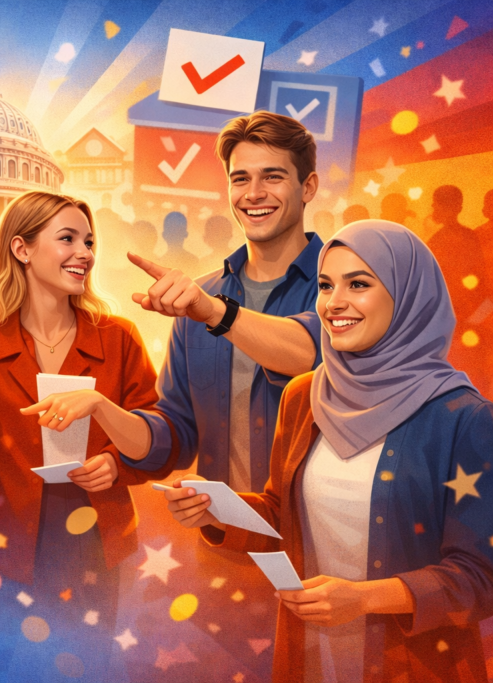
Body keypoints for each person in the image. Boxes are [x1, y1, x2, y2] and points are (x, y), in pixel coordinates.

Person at [160, 220, 493, 682]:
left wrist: (365, 598)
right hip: (311, 657)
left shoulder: (464, 419)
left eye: (358, 284)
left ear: (409, 296)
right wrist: (218, 507)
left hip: (413, 665)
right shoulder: (305, 397)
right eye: (324, 285)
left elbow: (481, 577)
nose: (334, 303)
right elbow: (282, 516)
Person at [0, 191, 171, 681]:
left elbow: (158, 446)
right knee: (20, 669)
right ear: (22, 249)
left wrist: (116, 460)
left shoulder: (118, 337)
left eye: (89, 241)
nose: (85, 253)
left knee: (87, 666)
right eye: (68, 239)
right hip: (13, 547)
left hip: (97, 543)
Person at [119, 110, 325, 676]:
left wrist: (214, 313)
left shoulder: (349, 286)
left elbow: (312, 352)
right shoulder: (200, 299)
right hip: (218, 559)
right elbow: (175, 432)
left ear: (308, 186)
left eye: (273, 176)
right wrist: (106, 419)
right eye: (240, 178)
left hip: (320, 564)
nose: (253, 194)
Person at [425, 185, 491, 397]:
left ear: (451, 207)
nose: (433, 208)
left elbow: (478, 281)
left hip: (460, 322)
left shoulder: (444, 240)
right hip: (459, 321)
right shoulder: (441, 239)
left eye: (437, 204)